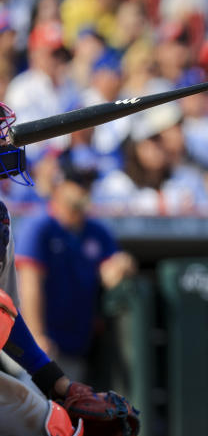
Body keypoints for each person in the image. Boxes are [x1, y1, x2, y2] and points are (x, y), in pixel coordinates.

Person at [0, 103, 138, 436]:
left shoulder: (4, 219)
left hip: (68, 341)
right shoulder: (40, 228)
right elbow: (22, 294)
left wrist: (56, 382)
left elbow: (4, 312)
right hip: (50, 339)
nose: (6, 142)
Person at [15, 156, 136, 377]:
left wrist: (123, 265)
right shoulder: (40, 225)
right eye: (78, 181)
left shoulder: (96, 230)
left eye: (88, 182)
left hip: (75, 347)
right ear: (60, 185)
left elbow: (110, 273)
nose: (84, 188)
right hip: (36, 346)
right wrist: (37, 336)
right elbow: (29, 284)